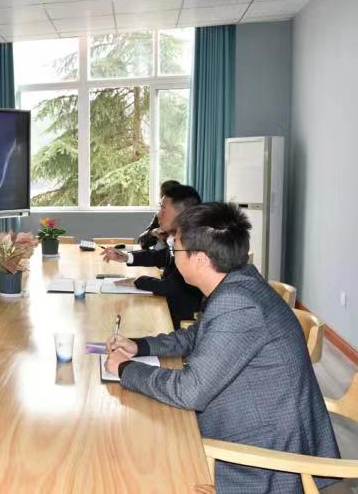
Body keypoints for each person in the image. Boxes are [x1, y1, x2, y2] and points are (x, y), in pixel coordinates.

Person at [105, 203, 339, 493]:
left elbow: (190, 391)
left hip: (263, 462)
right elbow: (196, 336)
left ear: (201, 260)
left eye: (176, 250)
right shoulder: (240, 282)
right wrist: (140, 345)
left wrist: (125, 369)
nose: (173, 257)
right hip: (254, 426)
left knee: (142, 463)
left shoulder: (237, 303)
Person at [102, 185, 203, 329]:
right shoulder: (179, 237)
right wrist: (126, 257)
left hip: (178, 320)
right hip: (167, 305)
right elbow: (162, 259)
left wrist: (137, 281)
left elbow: (171, 286)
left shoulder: (195, 243)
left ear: (182, 214)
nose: (159, 214)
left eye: (163, 209)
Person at [137, 179, 181, 250]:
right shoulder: (159, 216)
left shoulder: (187, 219)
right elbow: (141, 241)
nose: (159, 214)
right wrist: (152, 233)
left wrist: (168, 238)